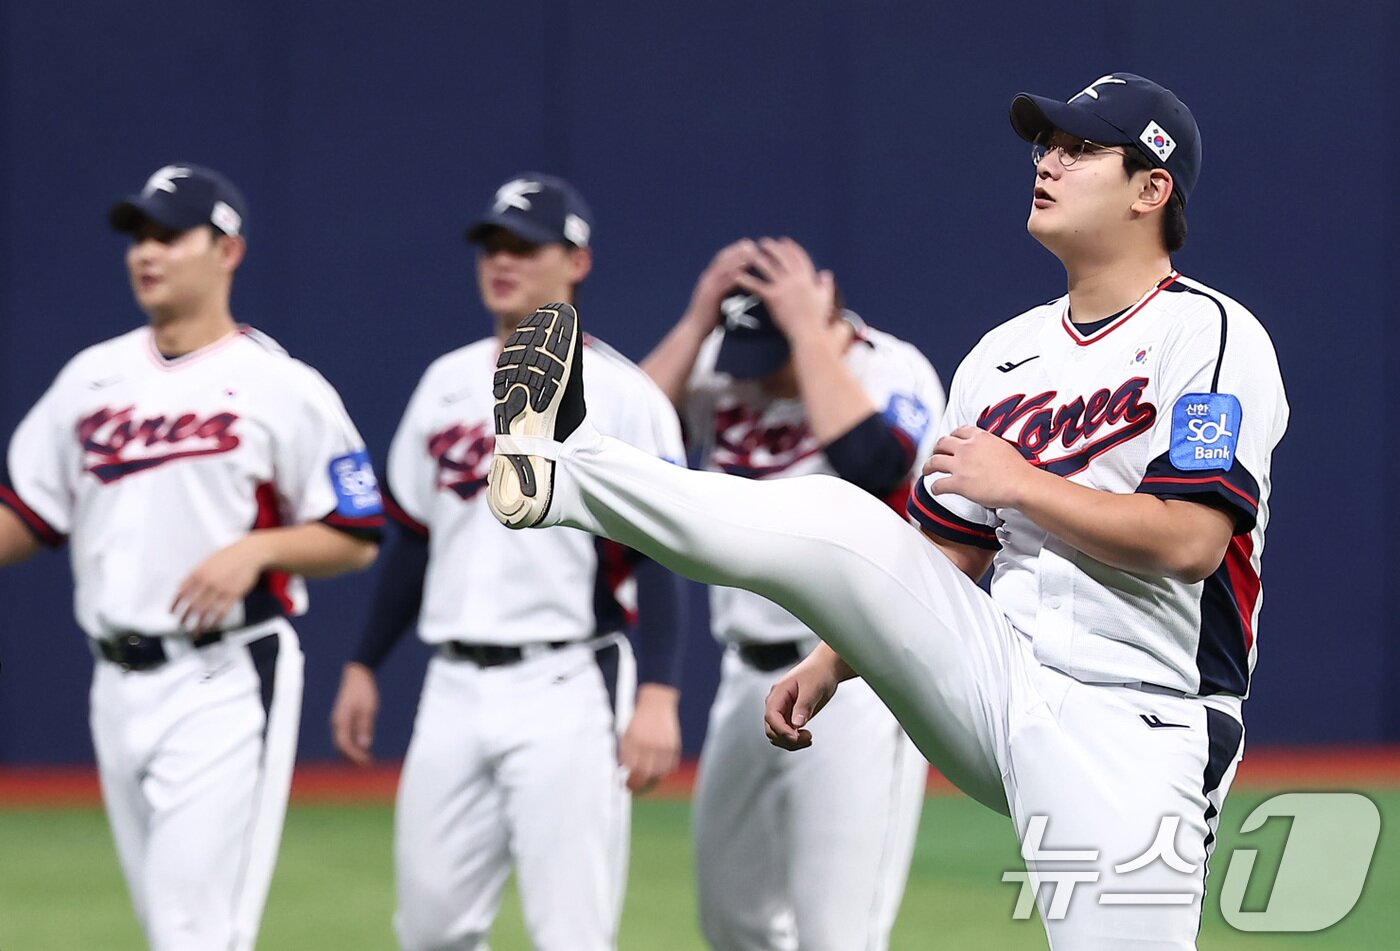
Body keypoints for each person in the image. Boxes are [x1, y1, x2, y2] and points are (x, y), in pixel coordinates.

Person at [486, 74, 1289, 951]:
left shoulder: (1210, 335)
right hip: (999, 672)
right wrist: (831, 661)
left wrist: (1021, 481)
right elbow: (940, 553)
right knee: (846, 517)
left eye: (1080, 147)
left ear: (1151, 188)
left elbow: (1191, 541)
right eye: (1046, 145)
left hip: (1139, 709)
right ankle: (564, 473)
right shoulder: (1003, 355)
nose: (1048, 161)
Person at [0, 163, 384, 950]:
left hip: (226, 676)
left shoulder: (281, 385)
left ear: (227, 250)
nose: (148, 252)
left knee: (194, 932)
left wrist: (261, 548)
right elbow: (28, 514)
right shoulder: (92, 379)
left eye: (169, 235)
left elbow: (358, 529)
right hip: (116, 679)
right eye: (139, 236)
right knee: (169, 925)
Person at [329, 173, 688, 951]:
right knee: (429, 930)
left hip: (567, 682)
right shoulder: (443, 383)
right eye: (493, 246)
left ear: (577, 261)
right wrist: (364, 662)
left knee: (571, 934)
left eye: (525, 247)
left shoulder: (624, 395)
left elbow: (661, 555)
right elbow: (416, 537)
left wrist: (658, 690)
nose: (503, 261)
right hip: (451, 684)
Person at [640, 238, 942, 950]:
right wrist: (694, 323)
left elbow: (881, 467)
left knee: (837, 934)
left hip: (856, 672)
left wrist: (806, 332)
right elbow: (625, 435)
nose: (755, 372)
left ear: (825, 303)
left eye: (769, 347)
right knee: (732, 919)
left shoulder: (889, 367)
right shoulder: (722, 374)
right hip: (746, 674)